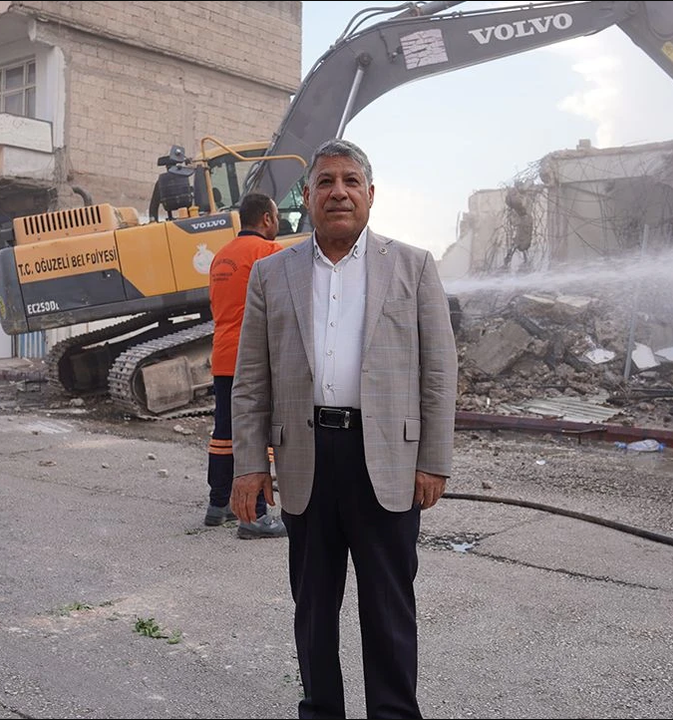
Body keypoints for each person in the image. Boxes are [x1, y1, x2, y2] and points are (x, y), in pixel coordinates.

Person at [230, 139, 457, 718]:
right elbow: (251, 380)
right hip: (306, 459)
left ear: (371, 195)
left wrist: (433, 460)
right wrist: (250, 465)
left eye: (351, 181)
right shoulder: (271, 274)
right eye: (326, 182)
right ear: (306, 196)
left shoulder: (412, 266)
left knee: (389, 607)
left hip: (385, 460)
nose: (339, 192)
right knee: (313, 607)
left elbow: (439, 370)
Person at [204, 192, 288, 539]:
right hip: (254, 357)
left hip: (223, 355)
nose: (277, 223)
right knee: (255, 434)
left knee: (224, 431)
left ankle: (218, 504)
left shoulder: (220, 256)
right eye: (276, 217)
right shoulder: (269, 252)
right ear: (267, 219)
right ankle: (254, 515)